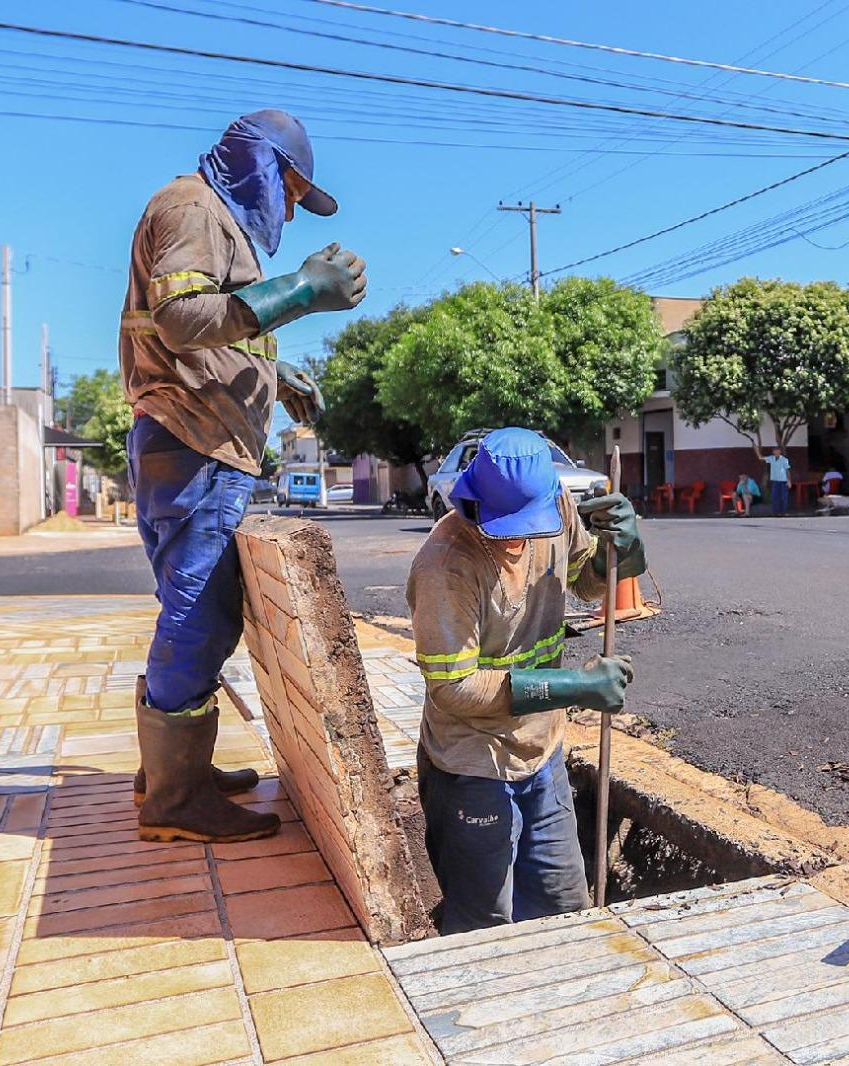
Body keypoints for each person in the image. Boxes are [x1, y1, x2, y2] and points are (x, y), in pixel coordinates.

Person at [124, 109, 367, 844]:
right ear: (260, 166)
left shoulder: (209, 216)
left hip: (199, 438)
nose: (290, 208)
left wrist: (271, 368)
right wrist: (300, 290)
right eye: (290, 190)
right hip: (192, 439)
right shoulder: (195, 207)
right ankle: (173, 798)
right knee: (197, 614)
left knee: (199, 608)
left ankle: (173, 775)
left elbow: (215, 327)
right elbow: (184, 320)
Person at [407, 428, 647, 934]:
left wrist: (623, 550)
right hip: (472, 762)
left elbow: (586, 580)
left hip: (542, 753)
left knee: (563, 902)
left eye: (525, 525)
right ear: (474, 499)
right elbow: (454, 687)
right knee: (485, 921)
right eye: (504, 526)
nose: (517, 538)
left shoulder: (554, 507)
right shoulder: (446, 564)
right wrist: (575, 687)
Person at [763, 446, 791, 514]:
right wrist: (756, 449)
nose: (776, 452)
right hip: (775, 481)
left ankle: (783, 512)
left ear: (780, 452)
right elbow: (760, 457)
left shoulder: (784, 459)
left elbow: (787, 470)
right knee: (774, 496)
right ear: (773, 452)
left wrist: (789, 480)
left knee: (783, 497)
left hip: (783, 481)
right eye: (775, 451)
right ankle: (775, 512)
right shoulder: (771, 458)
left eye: (778, 451)